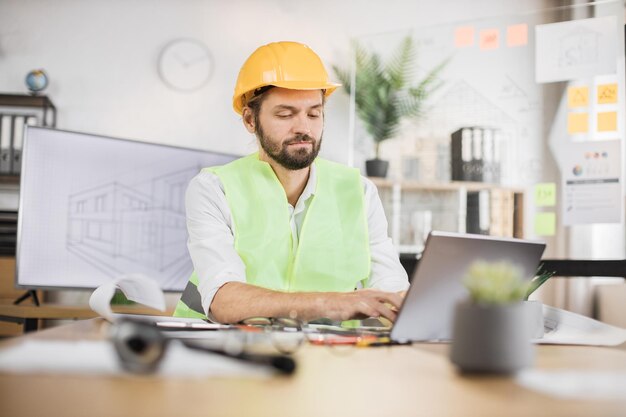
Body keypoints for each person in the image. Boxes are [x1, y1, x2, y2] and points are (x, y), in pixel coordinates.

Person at [174, 41, 409, 324]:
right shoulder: (214, 188)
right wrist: (332, 303)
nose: (304, 128)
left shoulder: (359, 191)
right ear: (250, 120)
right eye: (285, 114)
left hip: (328, 354)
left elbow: (392, 288)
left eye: (314, 113)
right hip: (219, 350)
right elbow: (225, 300)